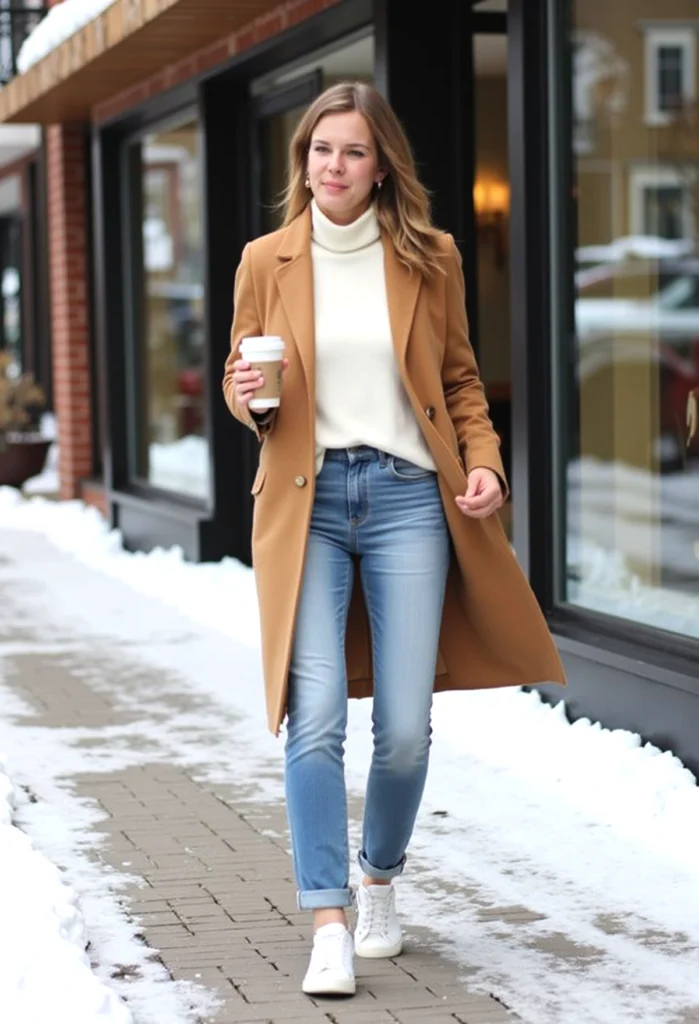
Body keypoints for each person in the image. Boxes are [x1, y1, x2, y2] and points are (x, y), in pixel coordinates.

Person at [223, 81, 565, 997]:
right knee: (317, 718)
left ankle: (378, 876)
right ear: (303, 160)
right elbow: (240, 372)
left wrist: (484, 459)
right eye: (319, 150)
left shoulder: (429, 256)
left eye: (353, 152)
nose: (332, 166)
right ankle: (326, 917)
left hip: (412, 496)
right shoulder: (267, 259)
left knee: (406, 731)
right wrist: (249, 397)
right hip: (308, 502)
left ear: (382, 168)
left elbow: (460, 381)